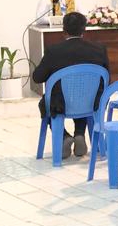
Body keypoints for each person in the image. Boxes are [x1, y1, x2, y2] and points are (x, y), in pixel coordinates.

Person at [31, 11, 108, 159]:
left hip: (60, 104)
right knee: (83, 94)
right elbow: (106, 77)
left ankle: (64, 137)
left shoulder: (53, 51)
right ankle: (79, 134)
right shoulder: (99, 49)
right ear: (84, 29)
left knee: (45, 103)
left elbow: (37, 77)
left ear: (63, 30)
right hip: (91, 102)